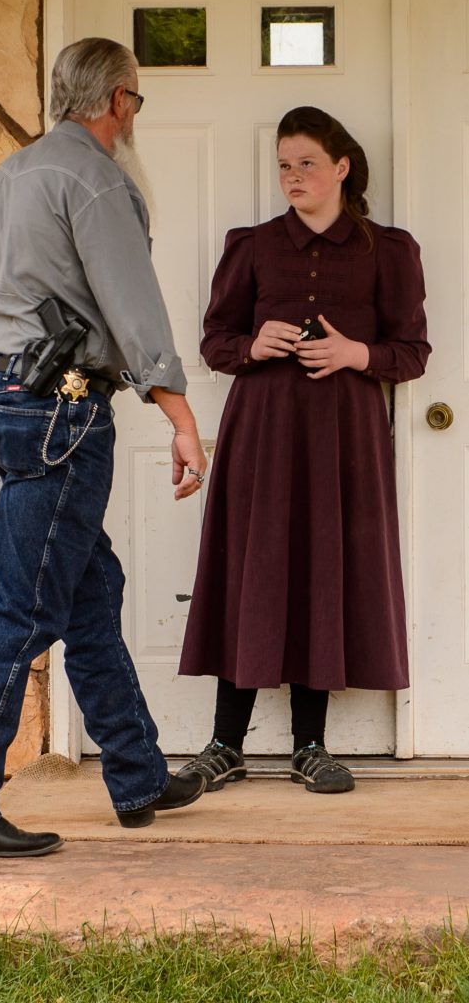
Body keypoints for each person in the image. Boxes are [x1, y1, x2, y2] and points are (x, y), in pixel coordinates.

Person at [0, 37, 208, 859]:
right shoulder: (96, 180)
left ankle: (136, 773)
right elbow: (132, 305)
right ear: (117, 99)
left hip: (8, 402)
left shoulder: (10, 174)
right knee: (24, 607)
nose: (134, 116)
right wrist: (181, 418)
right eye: (137, 102)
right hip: (63, 413)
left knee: (88, 587)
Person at [177, 106, 430, 794]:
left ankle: (309, 747)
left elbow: (411, 353)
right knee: (249, 569)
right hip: (261, 433)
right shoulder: (252, 246)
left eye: (306, 164)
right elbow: (213, 340)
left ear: (340, 168)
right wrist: (250, 346)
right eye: (284, 165)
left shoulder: (388, 250)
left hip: (343, 442)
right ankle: (223, 744)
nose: (292, 176)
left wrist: (357, 352)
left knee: (323, 571)